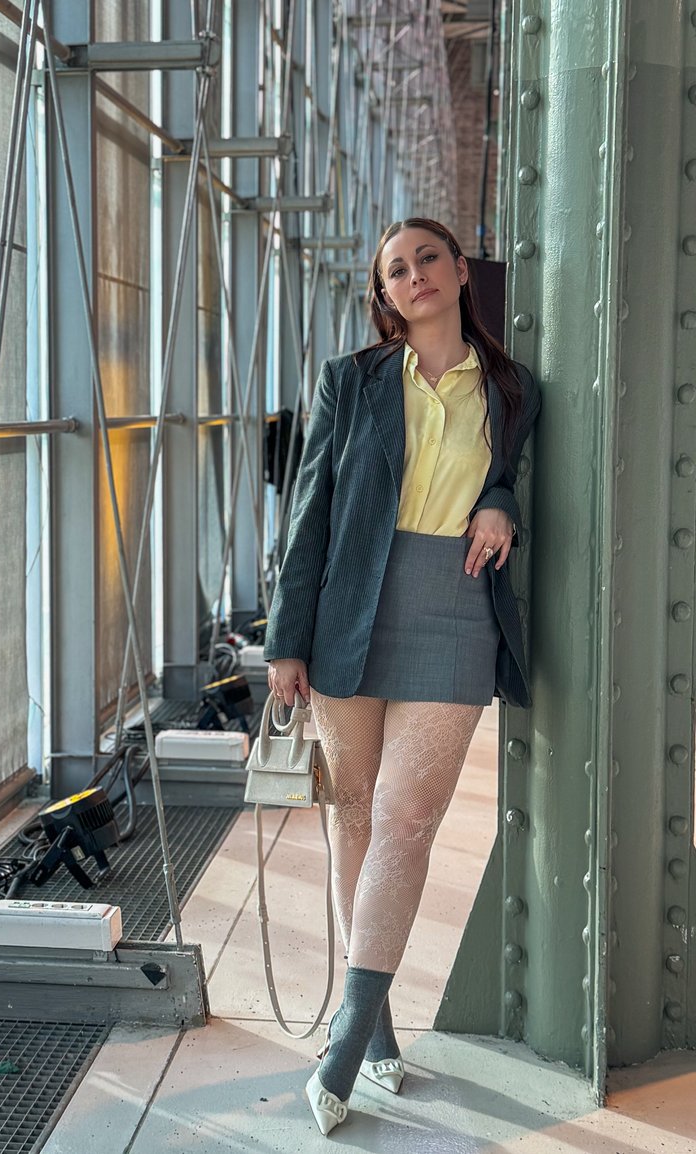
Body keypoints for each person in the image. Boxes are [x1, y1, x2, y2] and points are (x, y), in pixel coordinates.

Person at [263, 216, 541, 1136]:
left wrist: (498, 502)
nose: (414, 276)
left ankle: (343, 1042)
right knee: (353, 815)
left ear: (460, 272)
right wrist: (285, 642)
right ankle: (375, 1019)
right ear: (383, 296)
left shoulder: (510, 387)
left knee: (406, 819)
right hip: (350, 611)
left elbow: (515, 476)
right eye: (395, 270)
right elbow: (313, 508)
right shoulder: (353, 380)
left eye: (428, 258)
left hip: (454, 612)